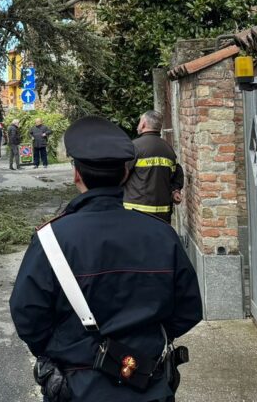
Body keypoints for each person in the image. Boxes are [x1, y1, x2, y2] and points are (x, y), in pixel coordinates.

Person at [10, 116, 203, 402]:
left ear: (76, 174)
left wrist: (65, 349)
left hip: (77, 387)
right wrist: (145, 343)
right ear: (125, 174)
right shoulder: (162, 235)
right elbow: (188, 310)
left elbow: (27, 315)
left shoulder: (50, 240)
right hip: (147, 381)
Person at [124, 111, 185, 224]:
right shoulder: (168, 149)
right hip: (162, 214)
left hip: (136, 212)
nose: (138, 125)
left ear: (143, 124)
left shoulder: (134, 147)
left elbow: (121, 174)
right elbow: (177, 173)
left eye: (139, 122)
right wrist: (176, 190)